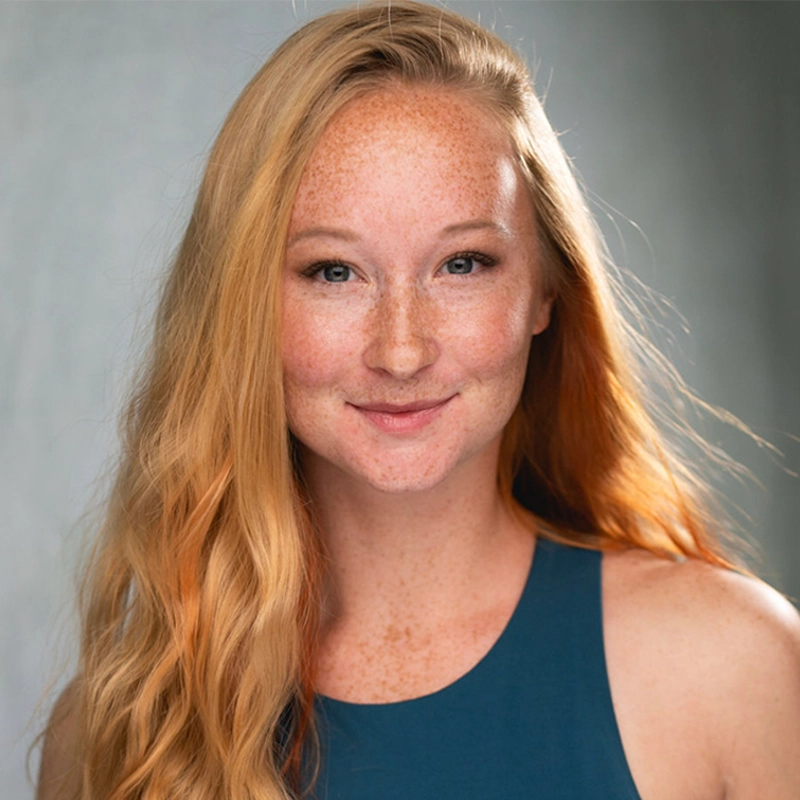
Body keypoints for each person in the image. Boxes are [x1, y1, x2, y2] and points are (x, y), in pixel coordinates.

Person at [36, 2, 800, 799]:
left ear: (546, 289)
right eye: (334, 271)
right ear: (242, 308)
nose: (401, 351)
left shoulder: (729, 669)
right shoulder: (123, 726)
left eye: (462, 264)